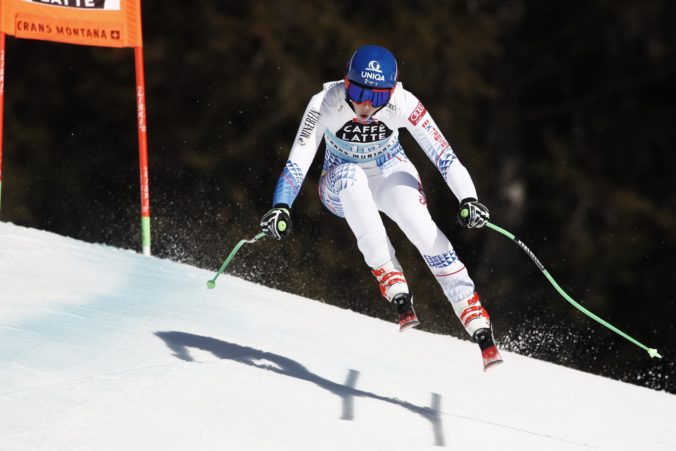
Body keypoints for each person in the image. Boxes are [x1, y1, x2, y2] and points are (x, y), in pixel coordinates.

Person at [260, 44, 502, 370]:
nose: (365, 104)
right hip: (340, 183)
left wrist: (469, 199)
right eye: (357, 91)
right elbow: (297, 162)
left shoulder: (403, 103)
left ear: (391, 91)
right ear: (345, 82)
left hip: (390, 169)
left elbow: (444, 156)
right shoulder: (325, 102)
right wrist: (282, 206)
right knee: (351, 177)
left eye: (376, 97)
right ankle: (387, 270)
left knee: (417, 222)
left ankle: (469, 305)